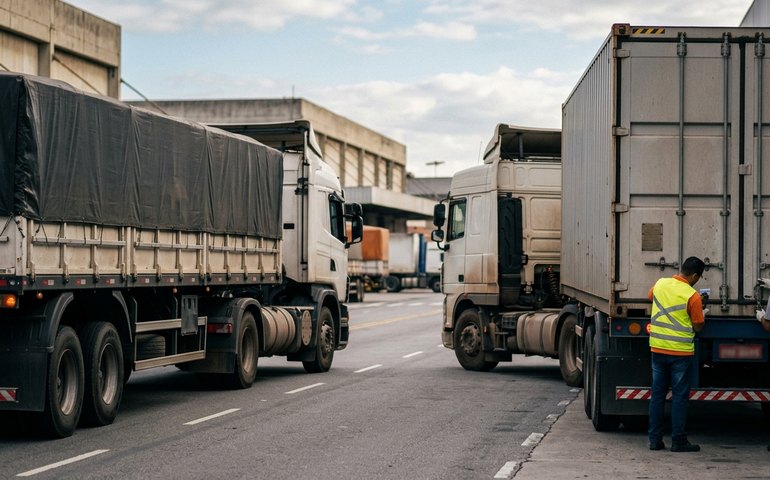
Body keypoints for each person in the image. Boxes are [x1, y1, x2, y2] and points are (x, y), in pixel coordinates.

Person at [647, 256, 706, 453]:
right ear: (695, 275)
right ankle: (678, 441)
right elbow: (698, 327)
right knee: (679, 398)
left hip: (658, 349)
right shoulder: (693, 296)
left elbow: (651, 296)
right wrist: (700, 311)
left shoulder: (661, 283)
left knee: (657, 395)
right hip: (680, 353)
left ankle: (654, 440)